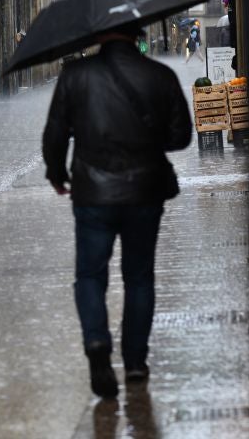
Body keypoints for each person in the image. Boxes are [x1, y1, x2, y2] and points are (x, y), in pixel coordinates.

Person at [42, 26, 192, 399]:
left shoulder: (75, 76)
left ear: (99, 35)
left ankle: (97, 342)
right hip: (145, 193)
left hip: (93, 193)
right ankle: (136, 362)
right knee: (139, 277)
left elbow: (55, 133)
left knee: (90, 276)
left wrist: (57, 174)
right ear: (137, 33)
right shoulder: (161, 75)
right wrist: (147, 135)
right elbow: (181, 137)